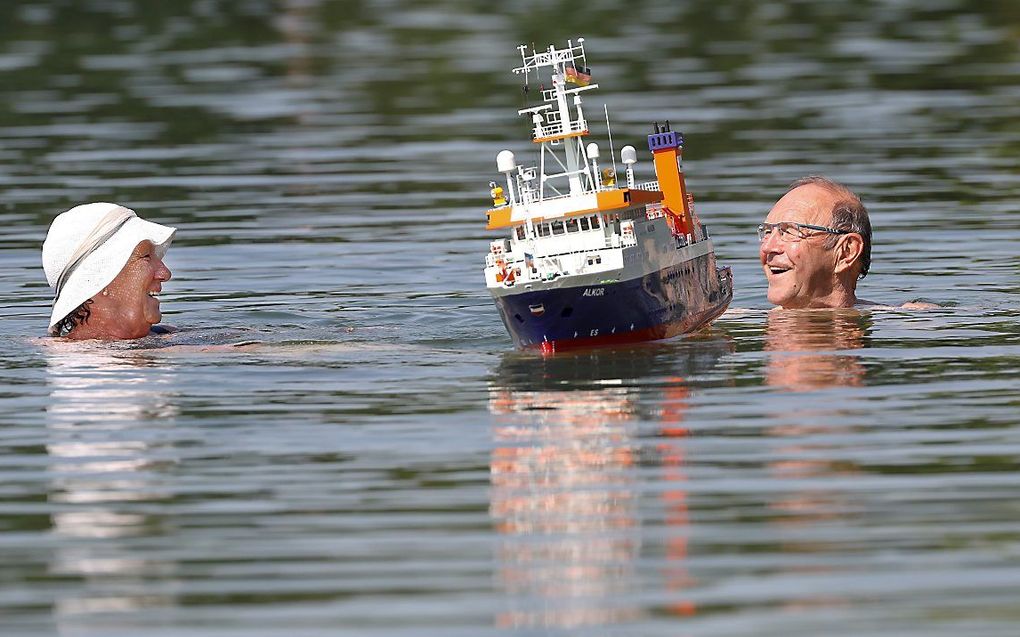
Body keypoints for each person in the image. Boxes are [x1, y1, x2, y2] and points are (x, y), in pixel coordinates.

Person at [759, 175, 935, 309]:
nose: (767, 247)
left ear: (846, 251)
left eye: (789, 231)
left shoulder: (906, 320)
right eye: (767, 232)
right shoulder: (740, 316)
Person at [42, 202, 175, 340]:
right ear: (100, 280)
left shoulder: (165, 335)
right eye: (146, 256)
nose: (165, 273)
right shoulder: (73, 355)